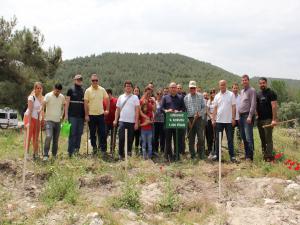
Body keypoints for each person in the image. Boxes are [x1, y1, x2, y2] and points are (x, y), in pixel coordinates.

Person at [113, 80, 140, 159]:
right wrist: (115, 120)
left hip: (131, 122)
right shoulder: (121, 97)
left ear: (131, 88)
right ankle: (120, 154)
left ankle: (128, 154)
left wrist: (136, 122)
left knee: (130, 139)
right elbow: (117, 110)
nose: (128, 87)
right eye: (127, 86)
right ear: (124, 88)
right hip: (122, 121)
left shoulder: (135, 97)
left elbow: (137, 111)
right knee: (121, 138)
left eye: (129, 86)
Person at [84, 74, 109, 155]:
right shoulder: (88, 91)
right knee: (92, 134)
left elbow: (107, 99)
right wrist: (86, 115)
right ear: (91, 81)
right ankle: (94, 149)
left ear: (98, 81)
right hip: (91, 115)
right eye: (93, 80)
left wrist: (107, 109)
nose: (95, 82)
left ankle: (103, 150)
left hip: (101, 115)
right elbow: (85, 104)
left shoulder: (102, 89)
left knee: (103, 133)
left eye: (96, 80)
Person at [212, 80, 237, 162]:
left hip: (229, 121)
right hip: (219, 121)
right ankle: (217, 155)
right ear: (219, 86)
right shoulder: (216, 96)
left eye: (223, 85)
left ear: (226, 85)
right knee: (218, 139)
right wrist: (213, 119)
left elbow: (234, 107)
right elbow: (215, 108)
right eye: (221, 85)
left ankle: (232, 156)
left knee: (230, 139)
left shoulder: (231, 94)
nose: (222, 86)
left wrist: (233, 118)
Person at [161, 82, 185, 161]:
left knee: (176, 140)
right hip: (168, 122)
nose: (173, 89)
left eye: (174, 87)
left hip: (177, 122)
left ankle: (176, 155)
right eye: (172, 87)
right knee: (168, 140)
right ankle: (169, 156)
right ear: (169, 88)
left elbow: (183, 108)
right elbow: (161, 108)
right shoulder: (165, 97)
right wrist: (166, 111)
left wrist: (180, 111)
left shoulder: (181, 97)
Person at [256, 77, 278, 162]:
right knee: (262, 138)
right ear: (259, 84)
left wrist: (274, 119)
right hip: (260, 120)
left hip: (268, 119)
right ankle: (264, 155)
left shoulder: (271, 93)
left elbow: (274, 106)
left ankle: (269, 157)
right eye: (260, 83)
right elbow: (256, 106)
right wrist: (257, 115)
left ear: (266, 83)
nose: (262, 84)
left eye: (263, 83)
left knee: (268, 138)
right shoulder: (258, 94)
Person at [42, 83, 65, 161]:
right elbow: (43, 105)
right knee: (49, 136)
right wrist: (42, 115)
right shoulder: (48, 95)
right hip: (49, 121)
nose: (57, 92)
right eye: (56, 90)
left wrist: (63, 115)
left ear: (61, 91)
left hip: (58, 121)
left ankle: (54, 155)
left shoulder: (62, 97)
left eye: (59, 91)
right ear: (53, 88)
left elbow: (64, 106)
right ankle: (45, 155)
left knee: (56, 139)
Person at [184, 81, 206, 159]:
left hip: (199, 119)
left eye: (193, 87)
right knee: (191, 138)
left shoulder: (200, 96)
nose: (192, 89)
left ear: (195, 88)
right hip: (189, 119)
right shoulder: (186, 98)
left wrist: (199, 114)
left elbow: (204, 108)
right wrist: (187, 119)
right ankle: (192, 154)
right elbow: (185, 110)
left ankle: (201, 154)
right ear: (189, 88)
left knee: (200, 137)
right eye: (191, 88)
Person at [64, 74, 85, 157]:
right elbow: (67, 103)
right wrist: (66, 115)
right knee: (72, 134)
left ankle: (77, 151)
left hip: (81, 116)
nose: (79, 81)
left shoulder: (84, 90)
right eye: (77, 79)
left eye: (80, 79)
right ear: (74, 80)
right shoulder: (70, 90)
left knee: (79, 133)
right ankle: (70, 152)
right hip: (72, 115)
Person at [23, 82, 44, 160]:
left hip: (37, 118)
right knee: (28, 136)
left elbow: (41, 109)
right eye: (37, 88)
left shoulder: (42, 98)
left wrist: (42, 118)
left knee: (36, 137)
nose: (39, 89)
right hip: (29, 117)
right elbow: (30, 110)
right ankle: (26, 154)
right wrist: (28, 122)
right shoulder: (31, 97)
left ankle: (35, 154)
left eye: (40, 88)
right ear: (34, 89)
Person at [239, 74, 256, 161]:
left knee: (249, 137)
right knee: (243, 137)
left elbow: (253, 104)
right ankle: (246, 155)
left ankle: (250, 157)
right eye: (243, 80)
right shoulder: (242, 91)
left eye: (246, 80)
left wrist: (250, 116)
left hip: (247, 116)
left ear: (248, 81)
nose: (244, 81)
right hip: (241, 116)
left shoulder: (252, 90)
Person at [104, 89, 118, 154]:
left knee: (113, 137)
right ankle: (104, 150)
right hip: (105, 122)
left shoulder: (115, 101)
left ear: (110, 94)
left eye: (108, 94)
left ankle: (112, 151)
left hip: (114, 122)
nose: (107, 96)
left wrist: (116, 120)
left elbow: (118, 110)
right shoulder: (104, 101)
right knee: (104, 136)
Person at [154, 89, 165, 154]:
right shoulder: (154, 102)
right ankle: (155, 150)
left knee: (162, 137)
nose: (159, 95)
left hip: (162, 122)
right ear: (156, 95)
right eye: (158, 94)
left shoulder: (164, 103)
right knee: (156, 137)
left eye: (161, 94)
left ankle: (162, 150)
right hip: (155, 122)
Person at [232, 82, 242, 155]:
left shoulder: (240, 97)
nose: (235, 89)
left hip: (239, 119)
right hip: (231, 119)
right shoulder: (230, 97)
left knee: (239, 135)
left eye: (236, 88)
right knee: (231, 135)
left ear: (238, 89)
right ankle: (232, 149)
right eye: (234, 88)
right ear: (232, 89)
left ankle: (239, 150)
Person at [206, 89, 216, 158]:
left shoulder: (218, 99)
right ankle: (209, 150)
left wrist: (214, 116)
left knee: (216, 136)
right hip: (210, 119)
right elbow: (207, 110)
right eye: (211, 93)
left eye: (214, 92)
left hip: (216, 119)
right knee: (210, 135)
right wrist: (211, 116)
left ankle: (215, 150)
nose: (213, 94)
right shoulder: (209, 101)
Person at [133, 86, 141, 152]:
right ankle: (129, 150)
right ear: (133, 91)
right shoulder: (131, 99)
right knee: (131, 136)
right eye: (135, 91)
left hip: (139, 121)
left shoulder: (141, 100)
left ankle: (136, 150)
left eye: (137, 91)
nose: (136, 92)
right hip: (131, 120)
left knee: (137, 137)